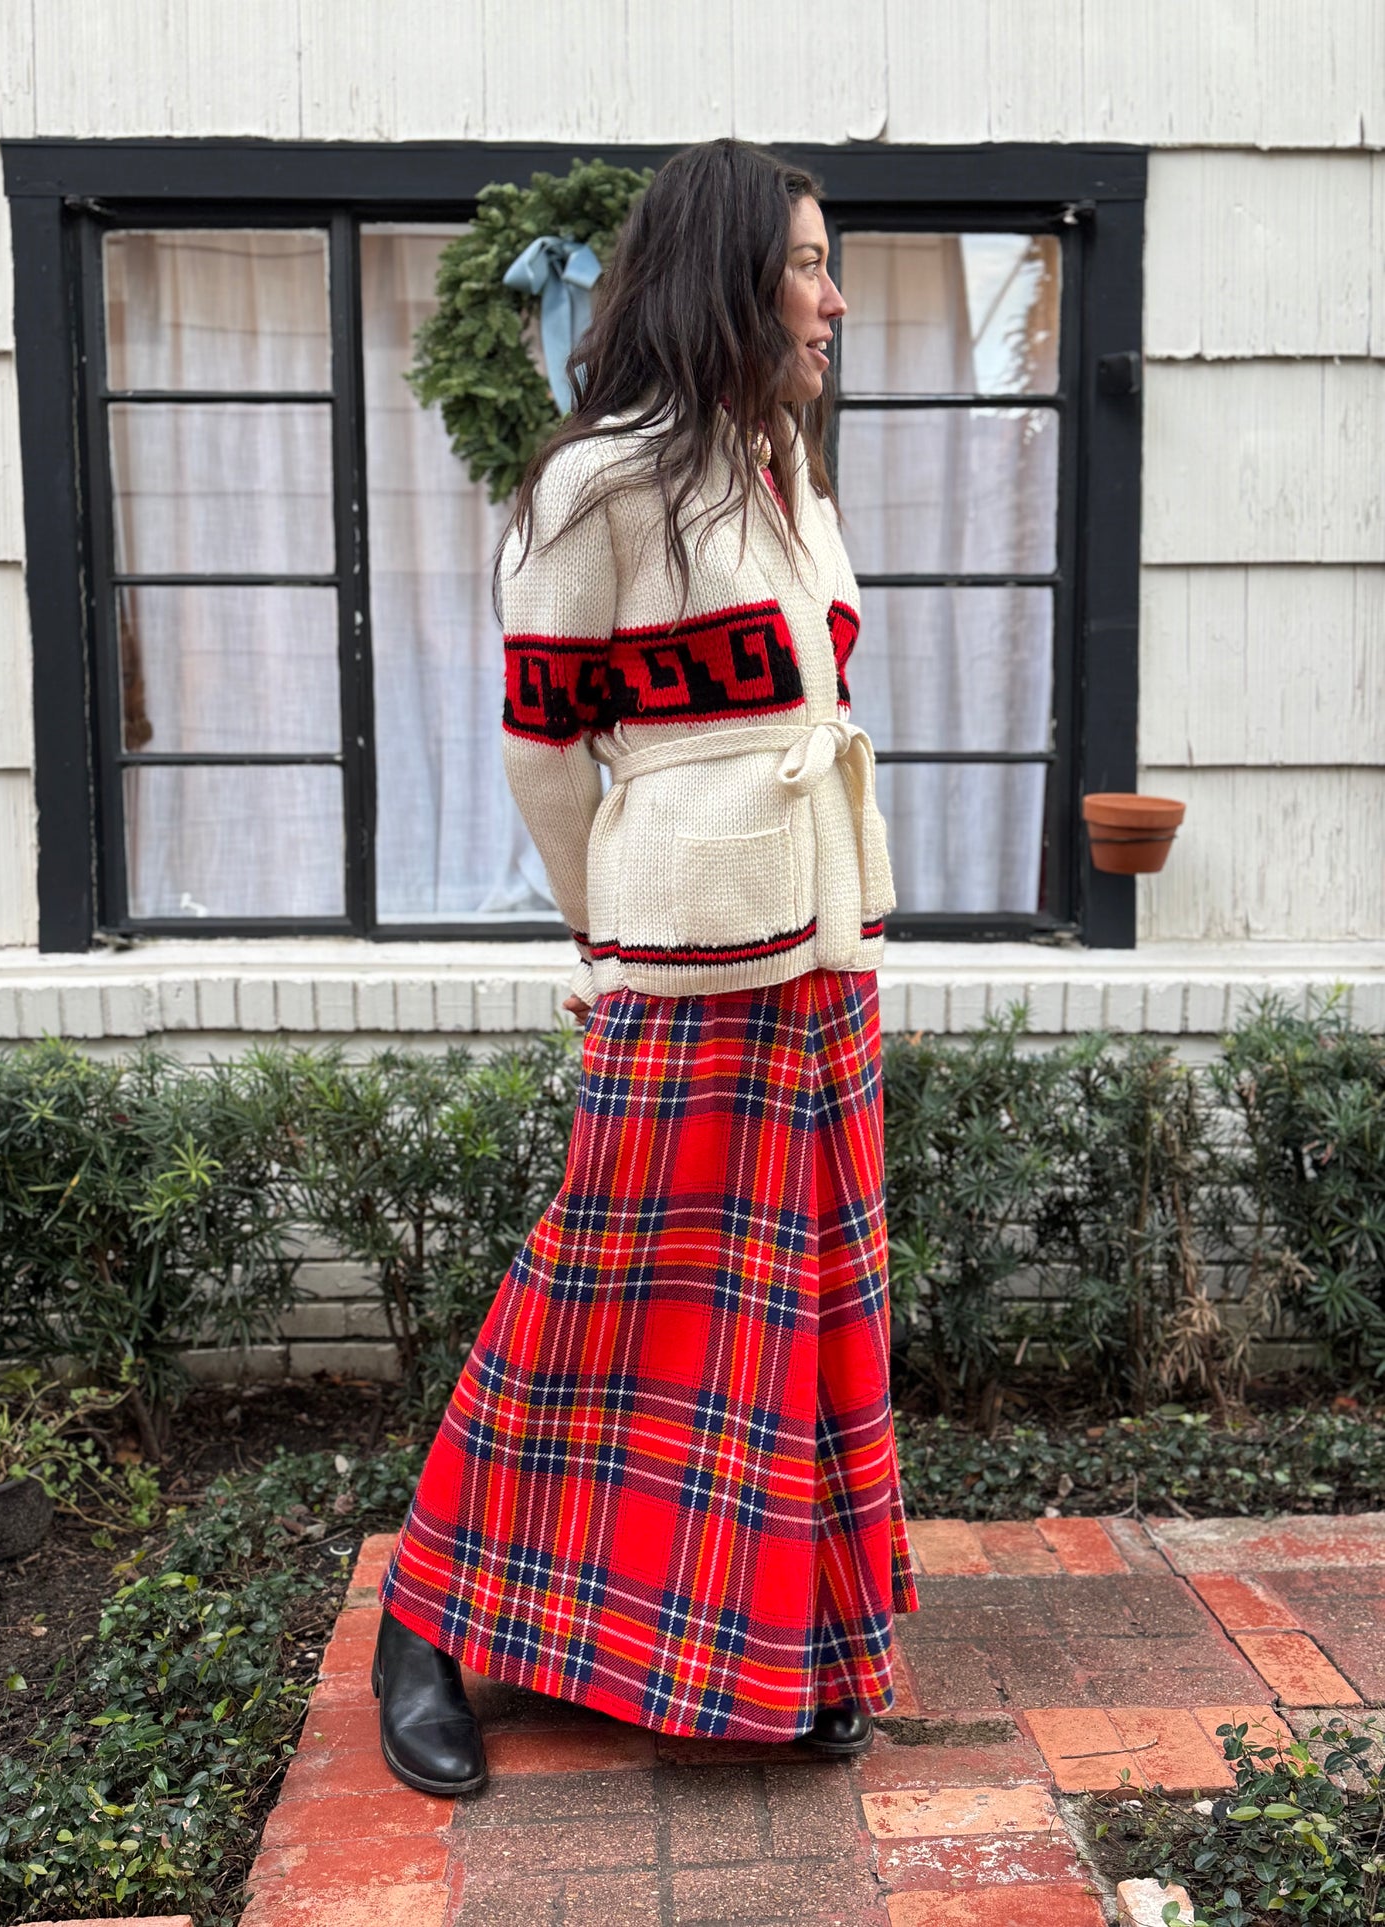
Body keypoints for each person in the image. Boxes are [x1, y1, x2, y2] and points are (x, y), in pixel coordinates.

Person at [371, 137, 919, 1798]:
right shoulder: (592, 486)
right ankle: (427, 1611)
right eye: (807, 265)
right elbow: (549, 757)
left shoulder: (784, 470)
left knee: (795, 1313)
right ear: (728, 273)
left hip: (819, 947)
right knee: (599, 1291)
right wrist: (599, 942)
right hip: (681, 956)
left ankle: (781, 1644)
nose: (831, 299)